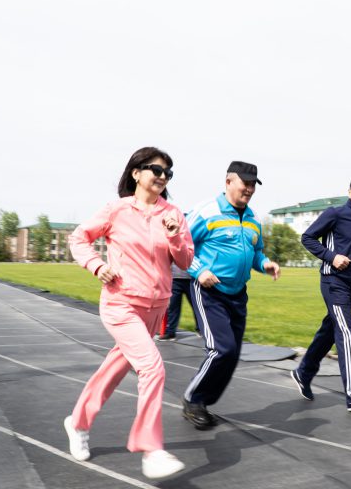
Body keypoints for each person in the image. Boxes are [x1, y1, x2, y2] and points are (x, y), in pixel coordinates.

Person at [63, 147, 194, 479]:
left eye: (168, 173)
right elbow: (79, 238)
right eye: (156, 170)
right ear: (136, 173)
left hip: (155, 307)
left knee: (114, 369)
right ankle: (151, 449)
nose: (162, 177)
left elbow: (185, 261)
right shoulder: (117, 210)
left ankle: (77, 422)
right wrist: (96, 265)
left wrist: (174, 235)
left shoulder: (173, 214)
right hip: (121, 304)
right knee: (152, 367)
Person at [181, 161, 280, 429]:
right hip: (209, 291)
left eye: (253, 185)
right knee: (221, 349)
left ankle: (203, 401)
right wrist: (199, 271)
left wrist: (265, 264)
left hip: (238, 294)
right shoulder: (206, 211)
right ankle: (192, 400)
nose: (249, 189)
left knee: (232, 355)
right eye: (245, 183)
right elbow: (179, 245)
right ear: (228, 182)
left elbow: (255, 252)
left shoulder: (253, 219)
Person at [290, 176, 351, 412]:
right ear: (350, 191)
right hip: (333, 281)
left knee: (329, 332)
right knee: (346, 332)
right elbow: (307, 238)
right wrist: (332, 257)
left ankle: (303, 373)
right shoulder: (336, 214)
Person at [157, 263, 199, 340]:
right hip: (174, 278)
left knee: (196, 305)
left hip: (191, 278)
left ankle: (201, 329)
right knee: (173, 306)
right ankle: (170, 332)